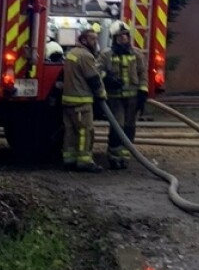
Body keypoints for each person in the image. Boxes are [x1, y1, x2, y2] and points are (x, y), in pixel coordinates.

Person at [99, 22, 148, 170]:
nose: (123, 38)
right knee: (117, 127)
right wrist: (107, 78)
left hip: (132, 98)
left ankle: (125, 156)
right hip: (115, 98)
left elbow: (142, 74)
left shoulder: (137, 54)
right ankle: (114, 156)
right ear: (114, 38)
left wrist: (143, 92)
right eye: (120, 36)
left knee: (129, 127)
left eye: (125, 35)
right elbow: (97, 71)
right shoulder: (106, 54)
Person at [62, 29, 106, 172]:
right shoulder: (86, 56)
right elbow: (93, 78)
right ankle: (84, 160)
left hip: (68, 101)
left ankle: (69, 159)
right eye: (92, 39)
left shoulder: (71, 53)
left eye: (96, 39)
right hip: (82, 101)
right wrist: (101, 94)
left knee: (70, 131)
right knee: (85, 131)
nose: (95, 42)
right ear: (84, 40)